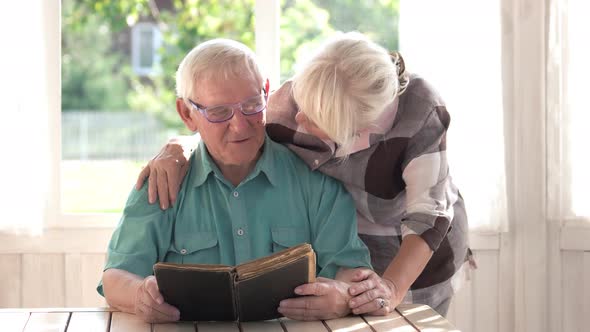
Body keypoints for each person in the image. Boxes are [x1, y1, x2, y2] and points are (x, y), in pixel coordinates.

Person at [137, 32, 473, 318]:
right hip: (352, 244)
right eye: (303, 109)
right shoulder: (292, 106)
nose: (302, 125)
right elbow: (226, 129)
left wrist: (392, 290)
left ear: (363, 133)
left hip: (419, 252)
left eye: (320, 124)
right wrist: (179, 147)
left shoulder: (422, 111)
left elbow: (428, 216)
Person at [97, 38, 374, 323]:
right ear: (186, 114)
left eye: (252, 105)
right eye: (219, 112)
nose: (240, 125)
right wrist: (139, 295)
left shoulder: (316, 181)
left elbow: (350, 273)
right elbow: (116, 277)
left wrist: (342, 296)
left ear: (266, 93)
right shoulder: (162, 181)